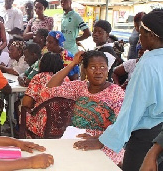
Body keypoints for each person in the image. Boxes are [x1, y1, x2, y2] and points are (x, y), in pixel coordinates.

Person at [72, 9, 163, 171]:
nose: (138, 35)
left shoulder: (147, 64)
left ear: (151, 35)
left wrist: (104, 140)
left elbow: (132, 110)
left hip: (146, 138)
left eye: (140, 31)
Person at [42, 50, 125, 164]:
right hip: (76, 138)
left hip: (104, 142)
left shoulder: (116, 92)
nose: (98, 72)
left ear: (108, 70)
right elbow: (50, 88)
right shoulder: (80, 87)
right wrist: (72, 64)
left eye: (102, 67)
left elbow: (121, 126)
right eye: (93, 67)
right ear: (85, 70)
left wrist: (99, 139)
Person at [21, 52, 64, 138]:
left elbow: (26, 103)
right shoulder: (65, 78)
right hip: (62, 124)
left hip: (42, 125)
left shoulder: (39, 78)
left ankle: (23, 138)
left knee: (21, 109)